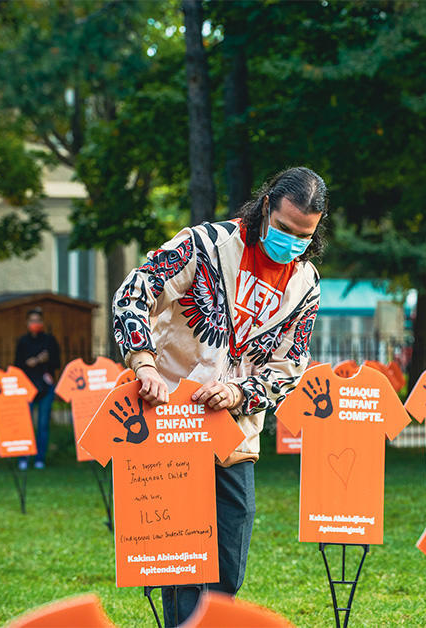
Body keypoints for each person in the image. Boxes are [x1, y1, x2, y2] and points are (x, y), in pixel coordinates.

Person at [112, 167, 326, 625]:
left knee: (228, 559)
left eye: (303, 236)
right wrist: (143, 363)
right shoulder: (202, 245)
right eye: (285, 229)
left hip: (234, 434)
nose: (291, 241)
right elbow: (133, 294)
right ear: (266, 206)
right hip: (169, 419)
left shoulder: (305, 284)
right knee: (181, 559)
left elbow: (290, 366)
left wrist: (238, 391)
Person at [14, 307, 59, 470]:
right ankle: (23, 457)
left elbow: (57, 363)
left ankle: (40, 458)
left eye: (38, 321)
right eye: (32, 321)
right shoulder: (22, 342)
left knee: (42, 424)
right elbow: (17, 366)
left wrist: (44, 360)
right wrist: (32, 361)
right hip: (27, 386)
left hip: (45, 387)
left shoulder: (49, 341)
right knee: (26, 424)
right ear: (27, 323)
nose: (35, 324)